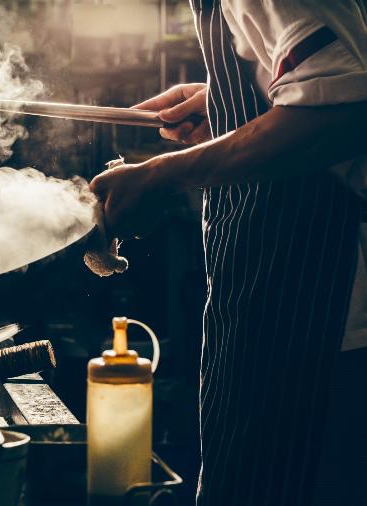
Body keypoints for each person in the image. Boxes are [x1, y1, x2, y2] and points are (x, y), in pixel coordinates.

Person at [89, 1, 367, 504]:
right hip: (275, 290)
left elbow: (341, 110)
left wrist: (164, 174)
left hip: (324, 307)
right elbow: (331, 69)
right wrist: (230, 104)